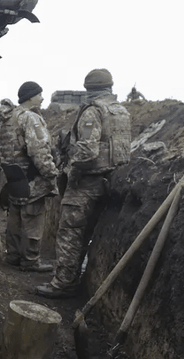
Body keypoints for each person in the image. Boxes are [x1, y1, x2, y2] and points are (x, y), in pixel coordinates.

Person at [36, 69, 131, 298]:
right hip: (112, 180)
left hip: (87, 182)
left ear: (88, 89)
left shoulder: (93, 111)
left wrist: (68, 166)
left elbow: (88, 151)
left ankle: (64, 283)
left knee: (70, 232)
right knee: (89, 233)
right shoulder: (121, 111)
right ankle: (79, 278)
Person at [0, 82, 59, 272]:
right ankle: (30, 260)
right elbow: (38, 150)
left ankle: (13, 256)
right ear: (31, 97)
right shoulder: (30, 118)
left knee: (15, 217)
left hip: (15, 178)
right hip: (32, 179)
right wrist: (51, 174)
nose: (42, 98)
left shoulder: (9, 118)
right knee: (33, 219)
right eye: (39, 95)